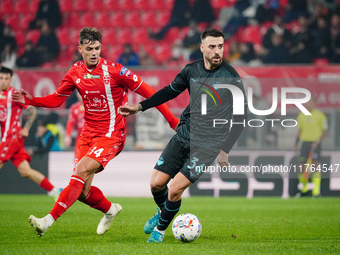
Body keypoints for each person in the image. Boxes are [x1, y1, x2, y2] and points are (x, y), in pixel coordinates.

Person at [12, 27, 179, 237]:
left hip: (111, 136)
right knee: (81, 191)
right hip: (87, 136)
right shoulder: (75, 71)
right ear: (80, 48)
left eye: (97, 48)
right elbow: (56, 98)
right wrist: (30, 100)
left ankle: (47, 221)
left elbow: (150, 92)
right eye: (89, 48)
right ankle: (110, 210)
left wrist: (172, 120)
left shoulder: (116, 70)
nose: (94, 53)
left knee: (80, 172)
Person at [118, 28, 247, 243]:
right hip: (184, 134)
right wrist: (139, 107)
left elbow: (242, 117)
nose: (217, 51)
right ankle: (164, 213)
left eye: (221, 46)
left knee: (175, 189)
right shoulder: (191, 70)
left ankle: (159, 231)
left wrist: (225, 148)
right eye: (213, 47)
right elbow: (169, 91)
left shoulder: (232, 77)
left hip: (208, 144)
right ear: (202, 48)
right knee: (156, 184)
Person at [0, 66, 60, 199]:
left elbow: (32, 110)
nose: (3, 81)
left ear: (11, 80)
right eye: (1, 78)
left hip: (12, 137)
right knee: (25, 171)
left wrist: (26, 128)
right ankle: (54, 190)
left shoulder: (14, 95)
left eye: (6, 78)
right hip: (9, 139)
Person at [294, 95, 328, 198]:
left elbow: (325, 130)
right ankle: (303, 190)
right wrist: (296, 144)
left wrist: (318, 141)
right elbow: (299, 131)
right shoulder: (302, 115)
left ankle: (316, 192)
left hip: (315, 143)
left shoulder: (320, 115)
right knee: (301, 166)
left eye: (310, 101)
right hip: (305, 143)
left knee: (315, 166)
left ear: (314, 102)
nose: (308, 104)